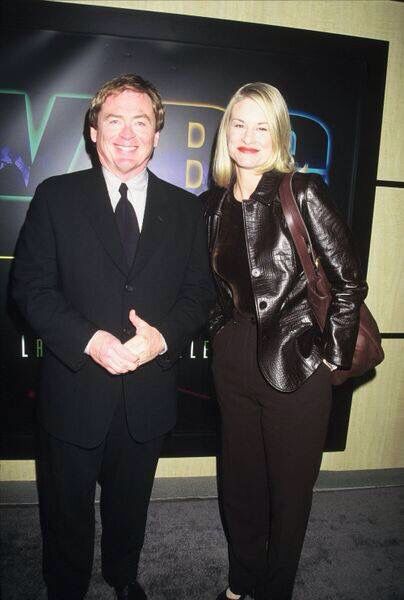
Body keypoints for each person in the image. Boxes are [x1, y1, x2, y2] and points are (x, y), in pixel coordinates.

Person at [12, 73, 215, 600]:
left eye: (141, 122)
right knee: (65, 506)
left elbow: (200, 294)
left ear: (156, 134)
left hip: (148, 394)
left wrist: (161, 338)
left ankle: (124, 576)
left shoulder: (188, 209)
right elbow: (30, 289)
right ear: (93, 131)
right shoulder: (55, 197)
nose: (127, 133)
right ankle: (66, 585)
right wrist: (91, 340)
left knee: (132, 503)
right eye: (114, 120)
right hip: (74, 387)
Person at [201, 83, 368, 600]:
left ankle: (275, 589)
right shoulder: (212, 205)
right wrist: (218, 333)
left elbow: (347, 283)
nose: (248, 137)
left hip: (296, 362)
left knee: (289, 495)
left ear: (278, 135)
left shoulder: (302, 193)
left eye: (261, 126)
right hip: (232, 358)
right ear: (225, 131)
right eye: (238, 124)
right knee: (239, 485)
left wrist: (332, 362)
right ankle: (242, 577)